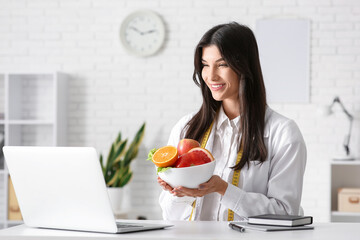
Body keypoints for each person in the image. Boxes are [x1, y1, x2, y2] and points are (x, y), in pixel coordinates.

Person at [158, 22, 307, 221]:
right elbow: (169, 215)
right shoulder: (187, 128)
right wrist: (180, 194)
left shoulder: (283, 133)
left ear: (244, 67)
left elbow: (285, 213)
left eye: (222, 64)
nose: (210, 76)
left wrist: (224, 190)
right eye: (205, 65)